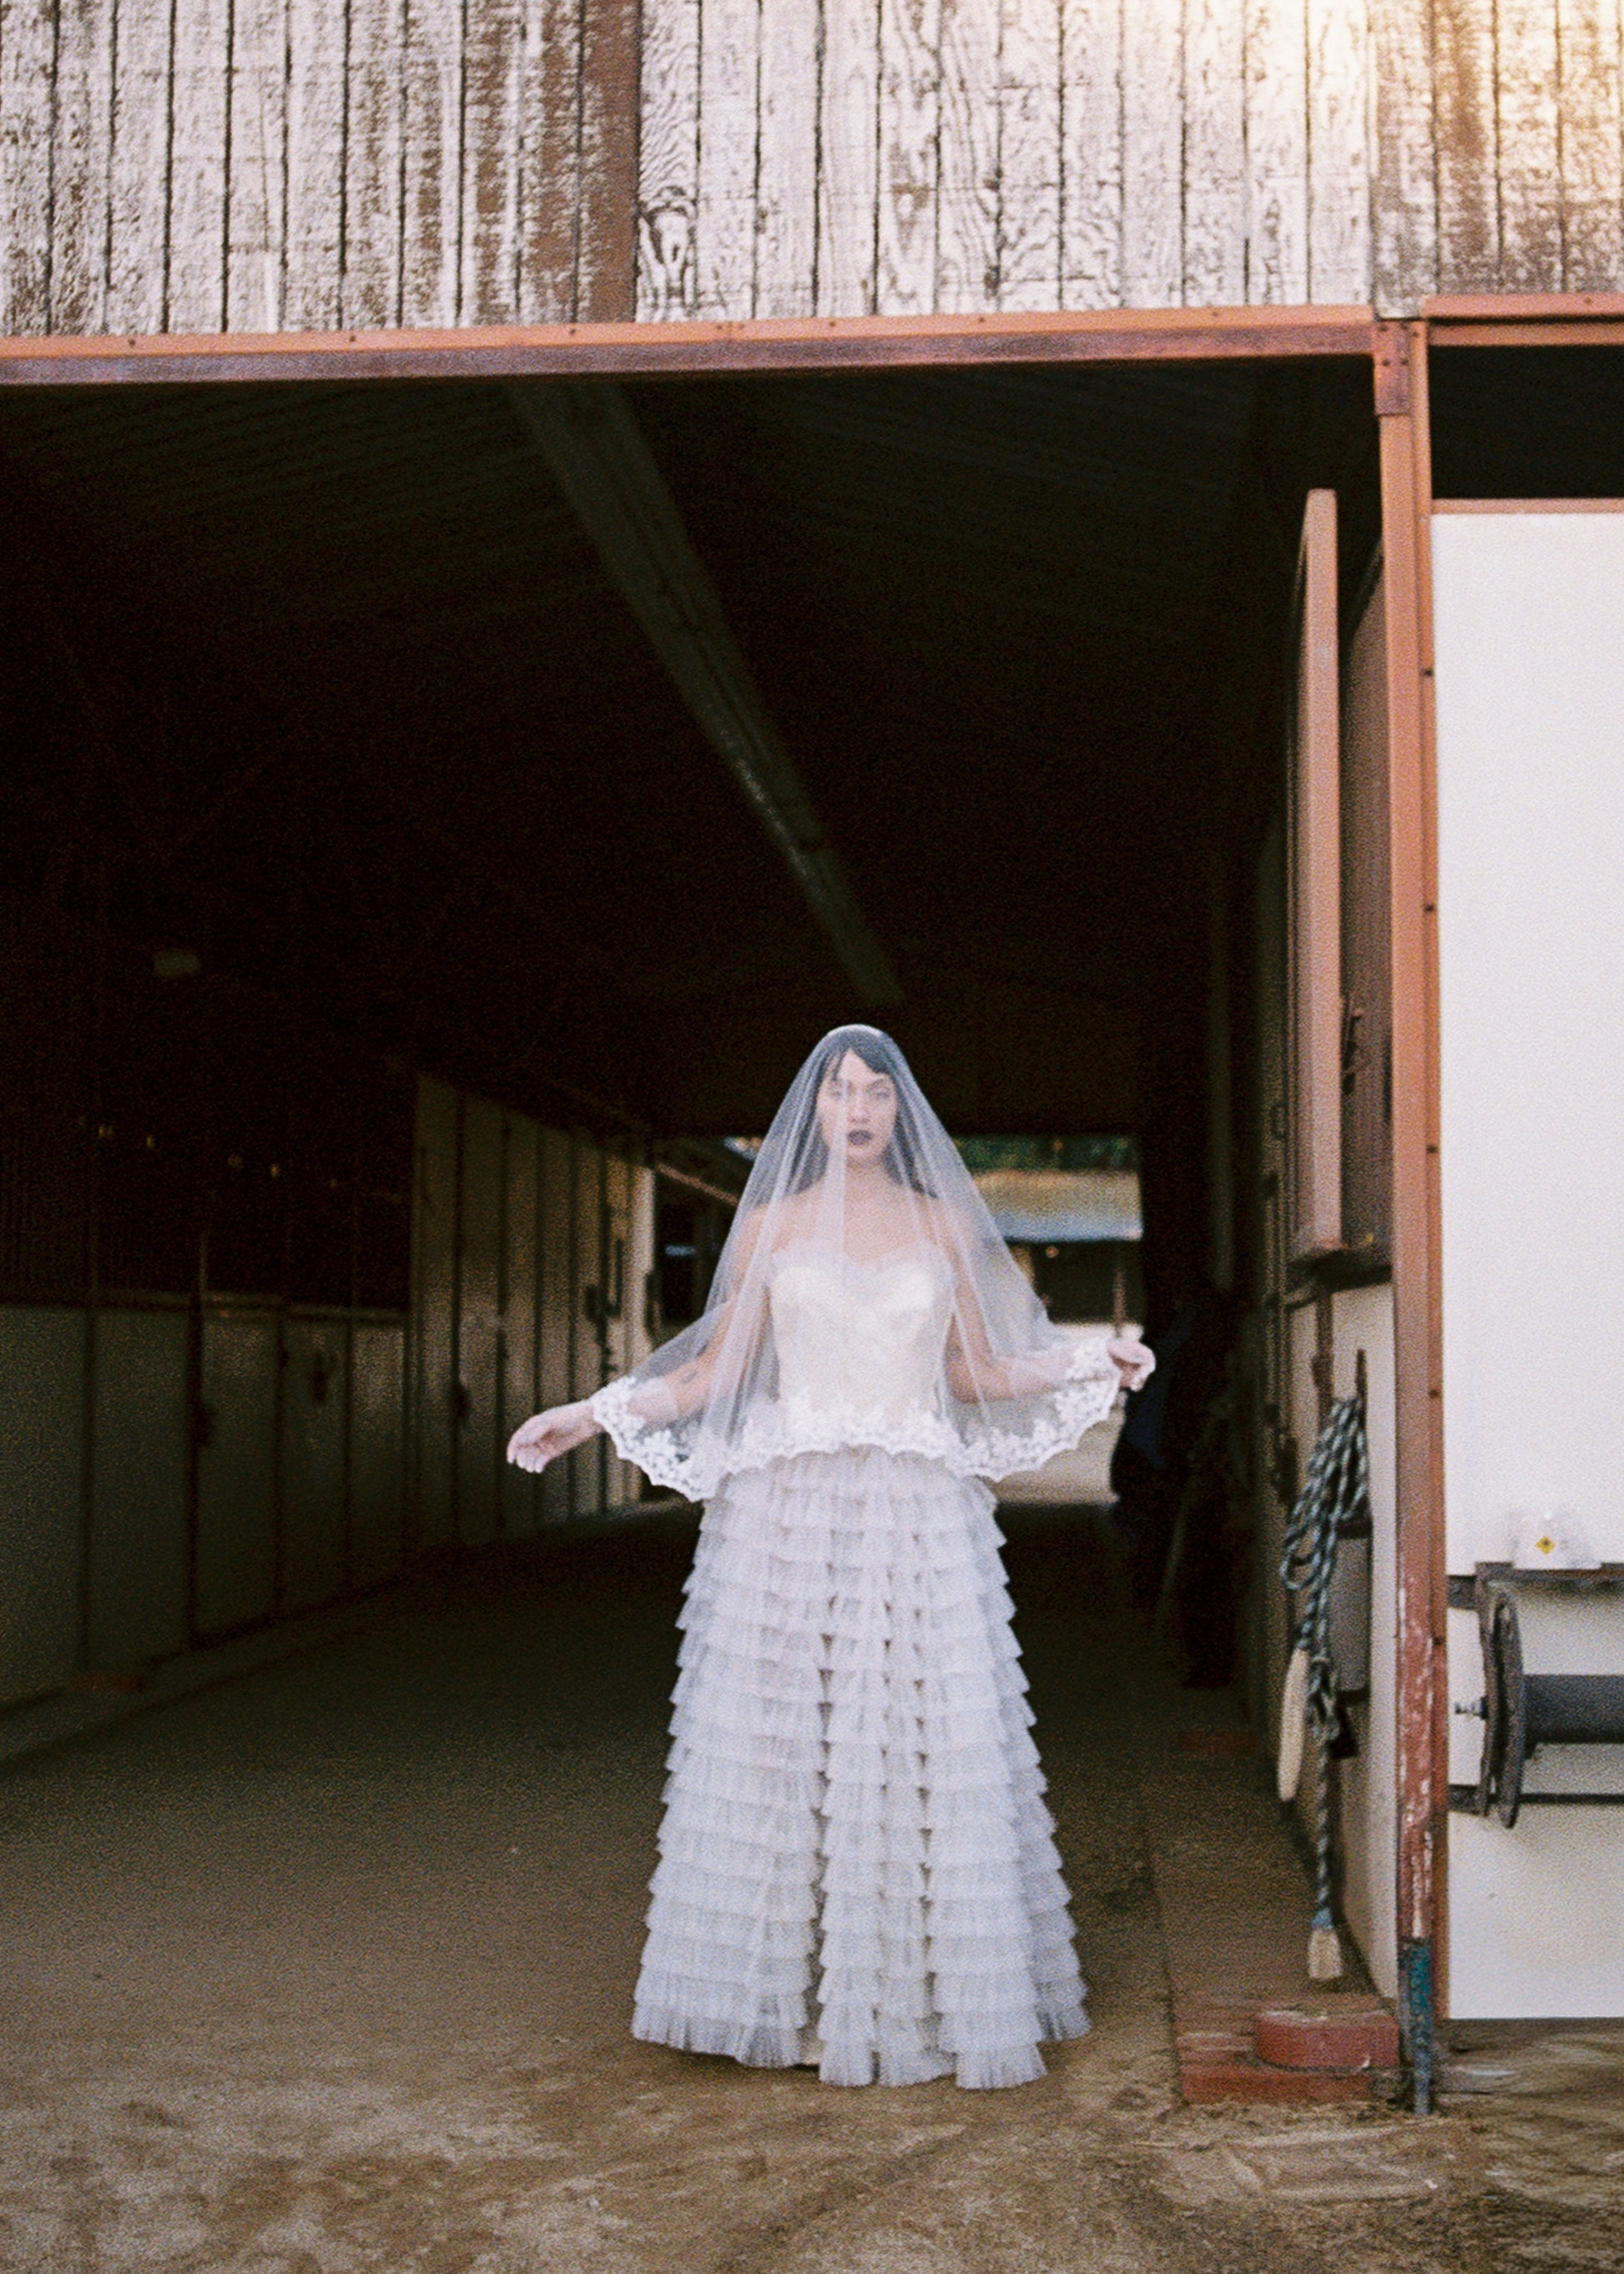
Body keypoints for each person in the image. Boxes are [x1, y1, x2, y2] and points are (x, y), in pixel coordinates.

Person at [507, 1026, 1152, 2090]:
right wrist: (591, 1411)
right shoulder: (768, 1221)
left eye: (877, 1093)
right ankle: (784, 1996)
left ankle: (909, 1997)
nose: (856, 1108)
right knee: (783, 1741)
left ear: (901, 1113)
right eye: (840, 1091)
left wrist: (1093, 1357)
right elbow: (713, 1371)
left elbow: (977, 1371)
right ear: (812, 1109)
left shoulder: (944, 1223)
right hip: (786, 1513)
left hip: (913, 1514)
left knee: (909, 1737)